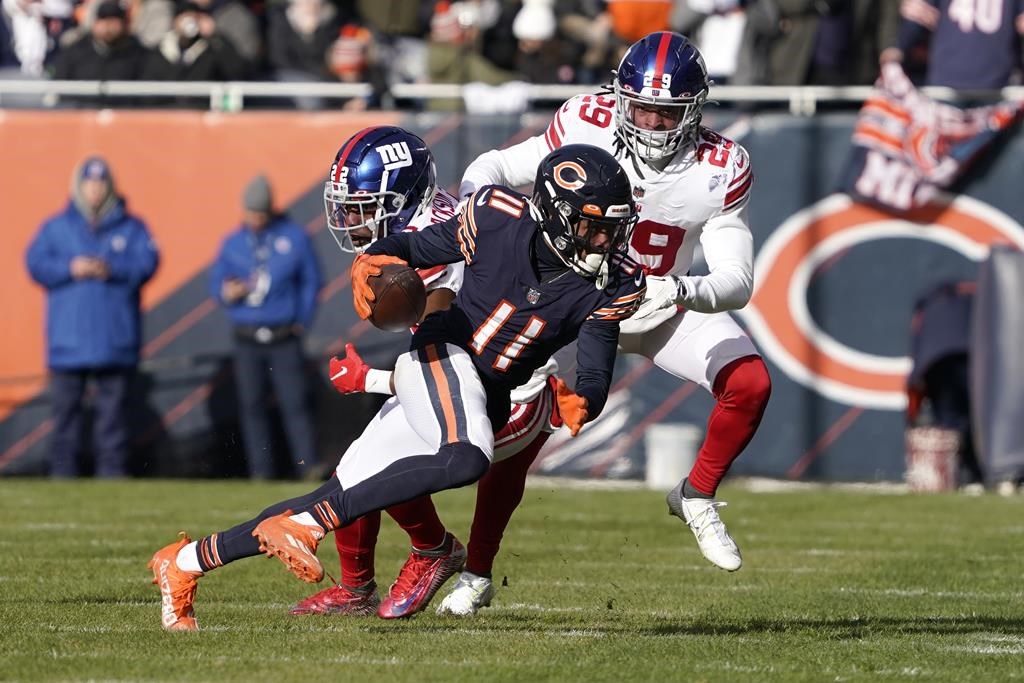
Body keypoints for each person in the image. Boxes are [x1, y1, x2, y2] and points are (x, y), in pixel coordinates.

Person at [148, 143, 646, 631]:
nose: (606, 242)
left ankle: (185, 562)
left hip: (495, 394)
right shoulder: (495, 219)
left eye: (613, 230)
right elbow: (412, 250)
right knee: (464, 459)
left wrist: (588, 396)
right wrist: (376, 260)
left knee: (348, 491)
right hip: (443, 356)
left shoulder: (615, 281)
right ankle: (347, 535)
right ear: (554, 216)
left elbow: (599, 354)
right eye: (594, 228)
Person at [458, 31, 772, 575]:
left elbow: (736, 281)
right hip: (571, 308)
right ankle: (477, 571)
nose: (651, 123)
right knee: (515, 447)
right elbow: (493, 167)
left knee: (750, 383)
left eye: (667, 113)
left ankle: (695, 495)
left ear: (695, 110)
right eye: (643, 109)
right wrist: (473, 213)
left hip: (655, 302)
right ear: (621, 99)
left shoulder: (720, 167)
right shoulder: (586, 121)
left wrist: (672, 289)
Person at [290, 125, 563, 619]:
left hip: (507, 394)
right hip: (458, 376)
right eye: (346, 205)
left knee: (382, 469)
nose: (350, 219)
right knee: (352, 472)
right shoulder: (427, 227)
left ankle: (433, 550)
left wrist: (369, 379)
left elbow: (451, 368)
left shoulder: (441, 248)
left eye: (362, 205)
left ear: (403, 199)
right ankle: (358, 587)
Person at [25, 156, 159, 478]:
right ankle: (62, 477)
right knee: (65, 416)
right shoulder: (56, 227)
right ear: (78, 186)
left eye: (101, 183)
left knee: (112, 418)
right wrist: (70, 268)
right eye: (89, 183)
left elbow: (148, 263)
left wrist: (111, 269)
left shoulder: (132, 227)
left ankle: (112, 476)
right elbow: (35, 263)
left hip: (115, 338)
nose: (95, 190)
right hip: (69, 340)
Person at [209, 174, 323, 479]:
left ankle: (307, 466)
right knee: (251, 407)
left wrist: (302, 320)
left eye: (260, 213)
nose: (255, 220)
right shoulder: (232, 243)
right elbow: (216, 284)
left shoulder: (293, 237)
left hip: (283, 335)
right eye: (251, 213)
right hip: (247, 337)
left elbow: (311, 281)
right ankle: (261, 472)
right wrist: (227, 292)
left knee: (295, 402)